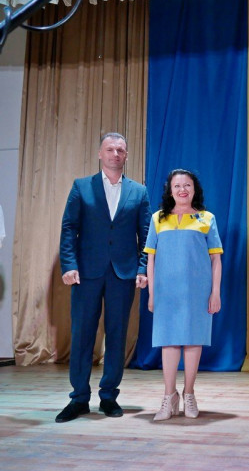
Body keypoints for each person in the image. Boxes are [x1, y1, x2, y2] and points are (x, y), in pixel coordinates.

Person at [57, 132, 151, 423]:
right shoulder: (82, 186)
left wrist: (142, 268)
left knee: (117, 334)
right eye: (110, 149)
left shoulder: (139, 191)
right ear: (100, 154)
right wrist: (68, 265)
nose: (115, 154)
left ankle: (109, 396)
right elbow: (69, 228)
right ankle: (79, 398)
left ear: (126, 155)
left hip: (123, 273)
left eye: (120, 150)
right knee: (82, 334)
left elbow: (146, 234)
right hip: (85, 273)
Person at [145, 169, 223, 421]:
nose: (182, 190)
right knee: (168, 341)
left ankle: (189, 393)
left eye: (187, 185)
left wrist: (215, 292)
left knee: (192, 340)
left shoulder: (206, 218)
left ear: (194, 189)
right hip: (166, 292)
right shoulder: (158, 219)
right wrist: (152, 294)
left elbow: (216, 259)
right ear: (170, 191)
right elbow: (150, 259)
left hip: (196, 292)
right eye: (177, 186)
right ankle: (169, 396)